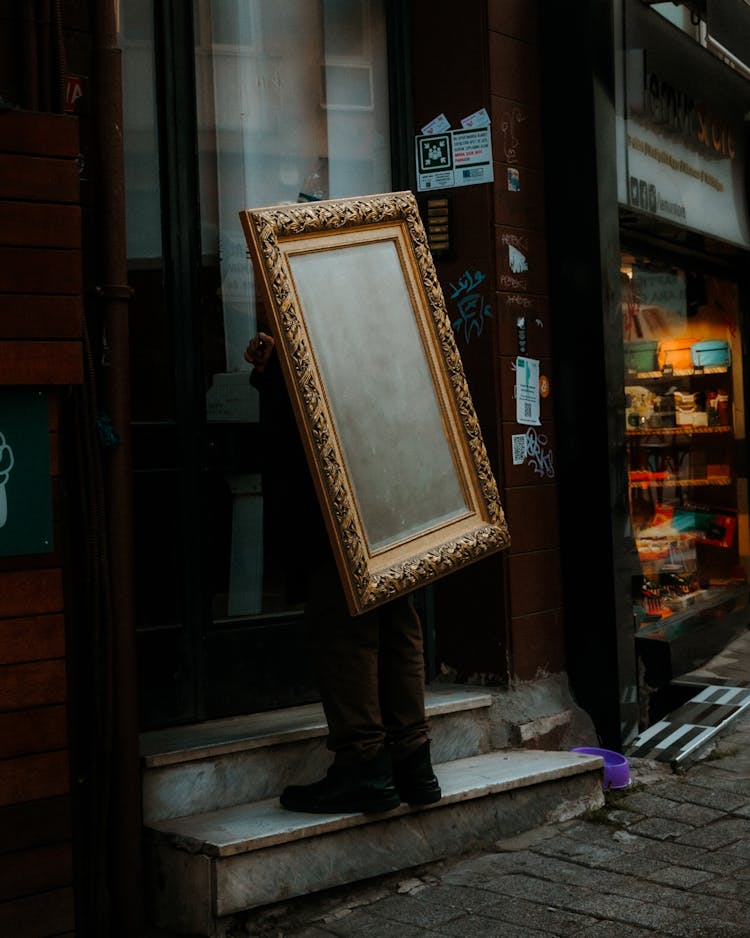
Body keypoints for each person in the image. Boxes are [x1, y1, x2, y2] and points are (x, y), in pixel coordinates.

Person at [245, 330, 441, 815]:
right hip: (395, 478)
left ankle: (365, 766)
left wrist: (274, 372)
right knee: (397, 622)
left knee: (344, 626)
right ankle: (413, 764)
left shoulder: (320, 307)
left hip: (341, 488)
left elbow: (316, 402)